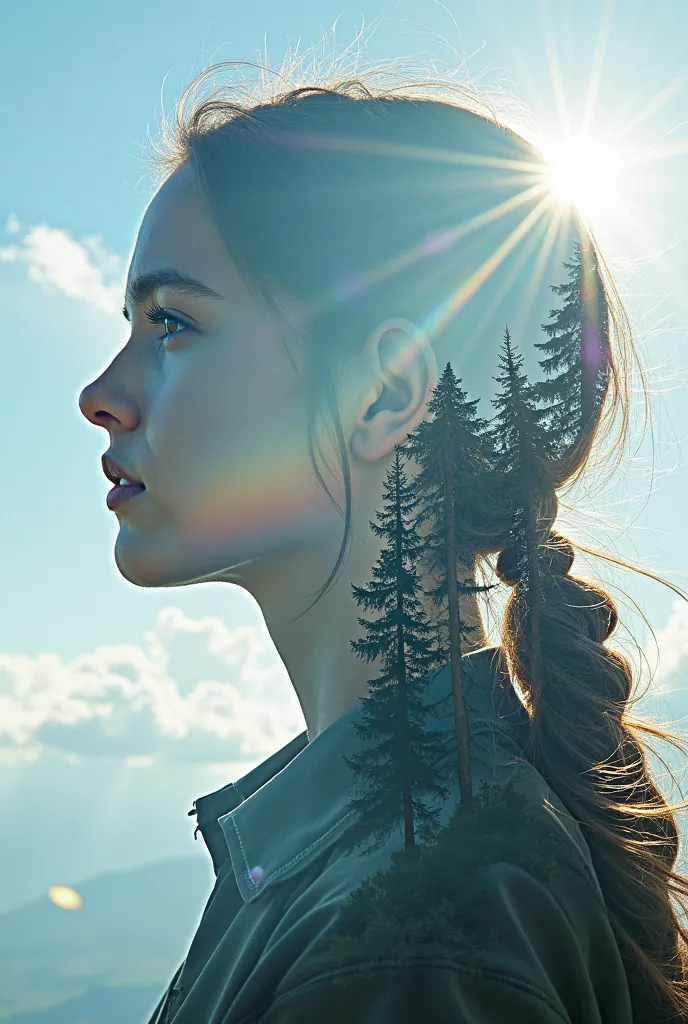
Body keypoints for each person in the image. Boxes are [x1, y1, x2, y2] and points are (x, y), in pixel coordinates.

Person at [78, 64, 688, 1023]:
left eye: (174, 323)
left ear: (390, 396)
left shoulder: (418, 928)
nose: (101, 394)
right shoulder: (409, 865)